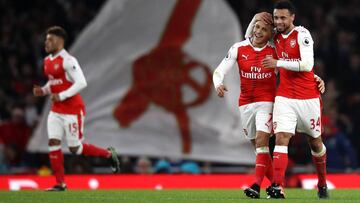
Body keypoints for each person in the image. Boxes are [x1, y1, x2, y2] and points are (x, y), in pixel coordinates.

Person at [246, 0, 329, 199]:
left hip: (308, 97)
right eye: (276, 17)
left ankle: (323, 184)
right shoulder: (274, 37)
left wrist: (277, 62)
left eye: (283, 17)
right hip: (284, 96)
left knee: (315, 143)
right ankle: (277, 186)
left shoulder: (302, 34)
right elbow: (250, 37)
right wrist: (256, 18)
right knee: (282, 137)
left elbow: (307, 64)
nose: (279, 21)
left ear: (292, 17)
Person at [33, 26, 120, 191]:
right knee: (53, 142)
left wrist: (63, 95)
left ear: (60, 41)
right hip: (56, 110)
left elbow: (82, 82)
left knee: (75, 148)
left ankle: (109, 154)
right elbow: (54, 83)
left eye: (50, 39)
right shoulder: (47, 61)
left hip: (73, 110)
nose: (46, 42)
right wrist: (43, 91)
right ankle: (60, 183)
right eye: (46, 39)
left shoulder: (68, 61)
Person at [213, 19, 277, 199]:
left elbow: (293, 69)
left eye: (264, 30)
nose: (259, 32)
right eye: (257, 27)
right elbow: (219, 70)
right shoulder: (238, 48)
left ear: (270, 35)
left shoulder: (274, 52)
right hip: (246, 103)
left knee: (262, 142)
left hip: (267, 102)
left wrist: (315, 77)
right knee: (257, 147)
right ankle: (276, 187)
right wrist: (218, 83)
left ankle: (256, 186)